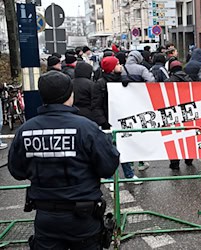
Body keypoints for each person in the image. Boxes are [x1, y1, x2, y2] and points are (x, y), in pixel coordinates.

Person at [7, 71, 120, 249]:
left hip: (46, 217)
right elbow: (108, 167)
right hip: (83, 217)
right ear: (70, 94)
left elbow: (17, 171)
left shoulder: (25, 130)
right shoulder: (86, 128)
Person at [92, 56, 143, 191]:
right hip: (108, 124)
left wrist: (127, 82)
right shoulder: (100, 84)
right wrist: (104, 122)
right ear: (111, 68)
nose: (120, 66)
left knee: (125, 148)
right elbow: (96, 106)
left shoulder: (121, 80)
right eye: (118, 64)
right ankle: (110, 179)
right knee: (110, 152)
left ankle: (129, 174)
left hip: (123, 121)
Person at [164, 60, 194, 170]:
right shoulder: (189, 79)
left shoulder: (168, 81)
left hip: (173, 112)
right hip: (188, 111)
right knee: (189, 135)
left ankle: (175, 162)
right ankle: (189, 158)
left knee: (174, 137)